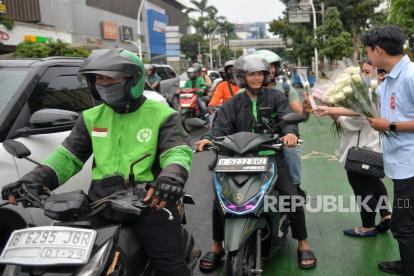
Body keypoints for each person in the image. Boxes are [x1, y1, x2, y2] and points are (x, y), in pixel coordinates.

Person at [1, 49, 193, 276]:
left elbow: (177, 151)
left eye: (109, 78)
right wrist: (33, 179)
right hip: (101, 204)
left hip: (151, 203)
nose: (102, 84)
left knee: (171, 269)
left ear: (133, 80)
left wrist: (170, 178)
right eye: (98, 79)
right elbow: (68, 156)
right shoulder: (91, 117)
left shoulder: (163, 114)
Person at [195, 54, 316, 272]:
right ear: (241, 76)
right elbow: (220, 128)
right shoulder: (233, 103)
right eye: (251, 74)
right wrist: (209, 139)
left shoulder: (276, 97)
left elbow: (287, 119)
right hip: (237, 159)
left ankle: (303, 242)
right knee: (220, 200)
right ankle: (217, 245)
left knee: (292, 196)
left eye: (260, 73)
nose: (257, 78)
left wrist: (289, 134)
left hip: (270, 155)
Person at [362, 25, 414, 275]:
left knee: (403, 223)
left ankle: (412, 269)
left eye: (368, 52)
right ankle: (408, 263)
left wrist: (390, 125)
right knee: (413, 216)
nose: (368, 57)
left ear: (378, 50)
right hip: (403, 162)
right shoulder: (390, 77)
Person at [314, 61, 391, 238]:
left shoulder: (368, 98)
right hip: (375, 149)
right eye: (361, 72)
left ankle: (368, 226)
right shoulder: (380, 93)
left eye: (367, 72)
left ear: (380, 74)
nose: (363, 76)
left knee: (362, 190)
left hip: (361, 153)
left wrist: (330, 109)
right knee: (374, 184)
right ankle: (387, 215)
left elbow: (348, 123)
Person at [254, 50, 310, 194]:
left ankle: (295, 185)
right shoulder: (243, 94)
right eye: (265, 66)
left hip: (281, 137)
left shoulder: (284, 89)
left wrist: (306, 109)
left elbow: (298, 115)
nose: (270, 70)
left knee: (291, 148)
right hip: (252, 139)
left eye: (272, 66)